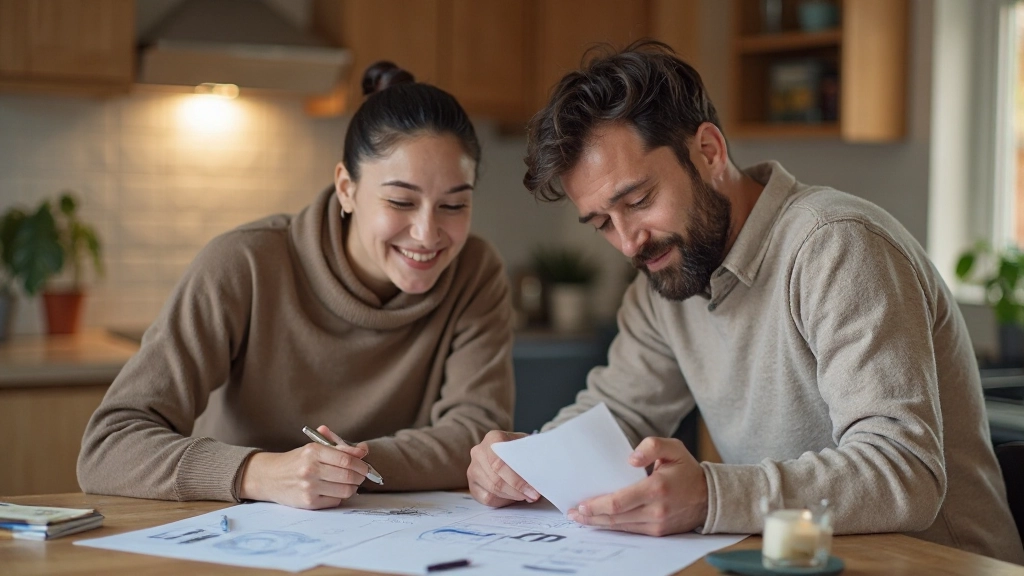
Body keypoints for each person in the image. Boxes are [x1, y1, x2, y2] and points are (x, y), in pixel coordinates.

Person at [467, 41, 1024, 564]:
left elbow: (904, 473)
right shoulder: (667, 279)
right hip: (801, 563)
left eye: (638, 200)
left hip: (939, 566)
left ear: (708, 151)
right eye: (601, 224)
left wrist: (710, 495)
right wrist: (527, 462)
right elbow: (612, 420)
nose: (628, 241)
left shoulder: (837, 245)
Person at [78, 61, 515, 510]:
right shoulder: (243, 263)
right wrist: (261, 472)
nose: (427, 233)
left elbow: (477, 437)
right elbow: (108, 447)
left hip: (386, 534)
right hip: (237, 534)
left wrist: (343, 467)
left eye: (454, 204)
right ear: (347, 188)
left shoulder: (475, 272)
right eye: (401, 201)